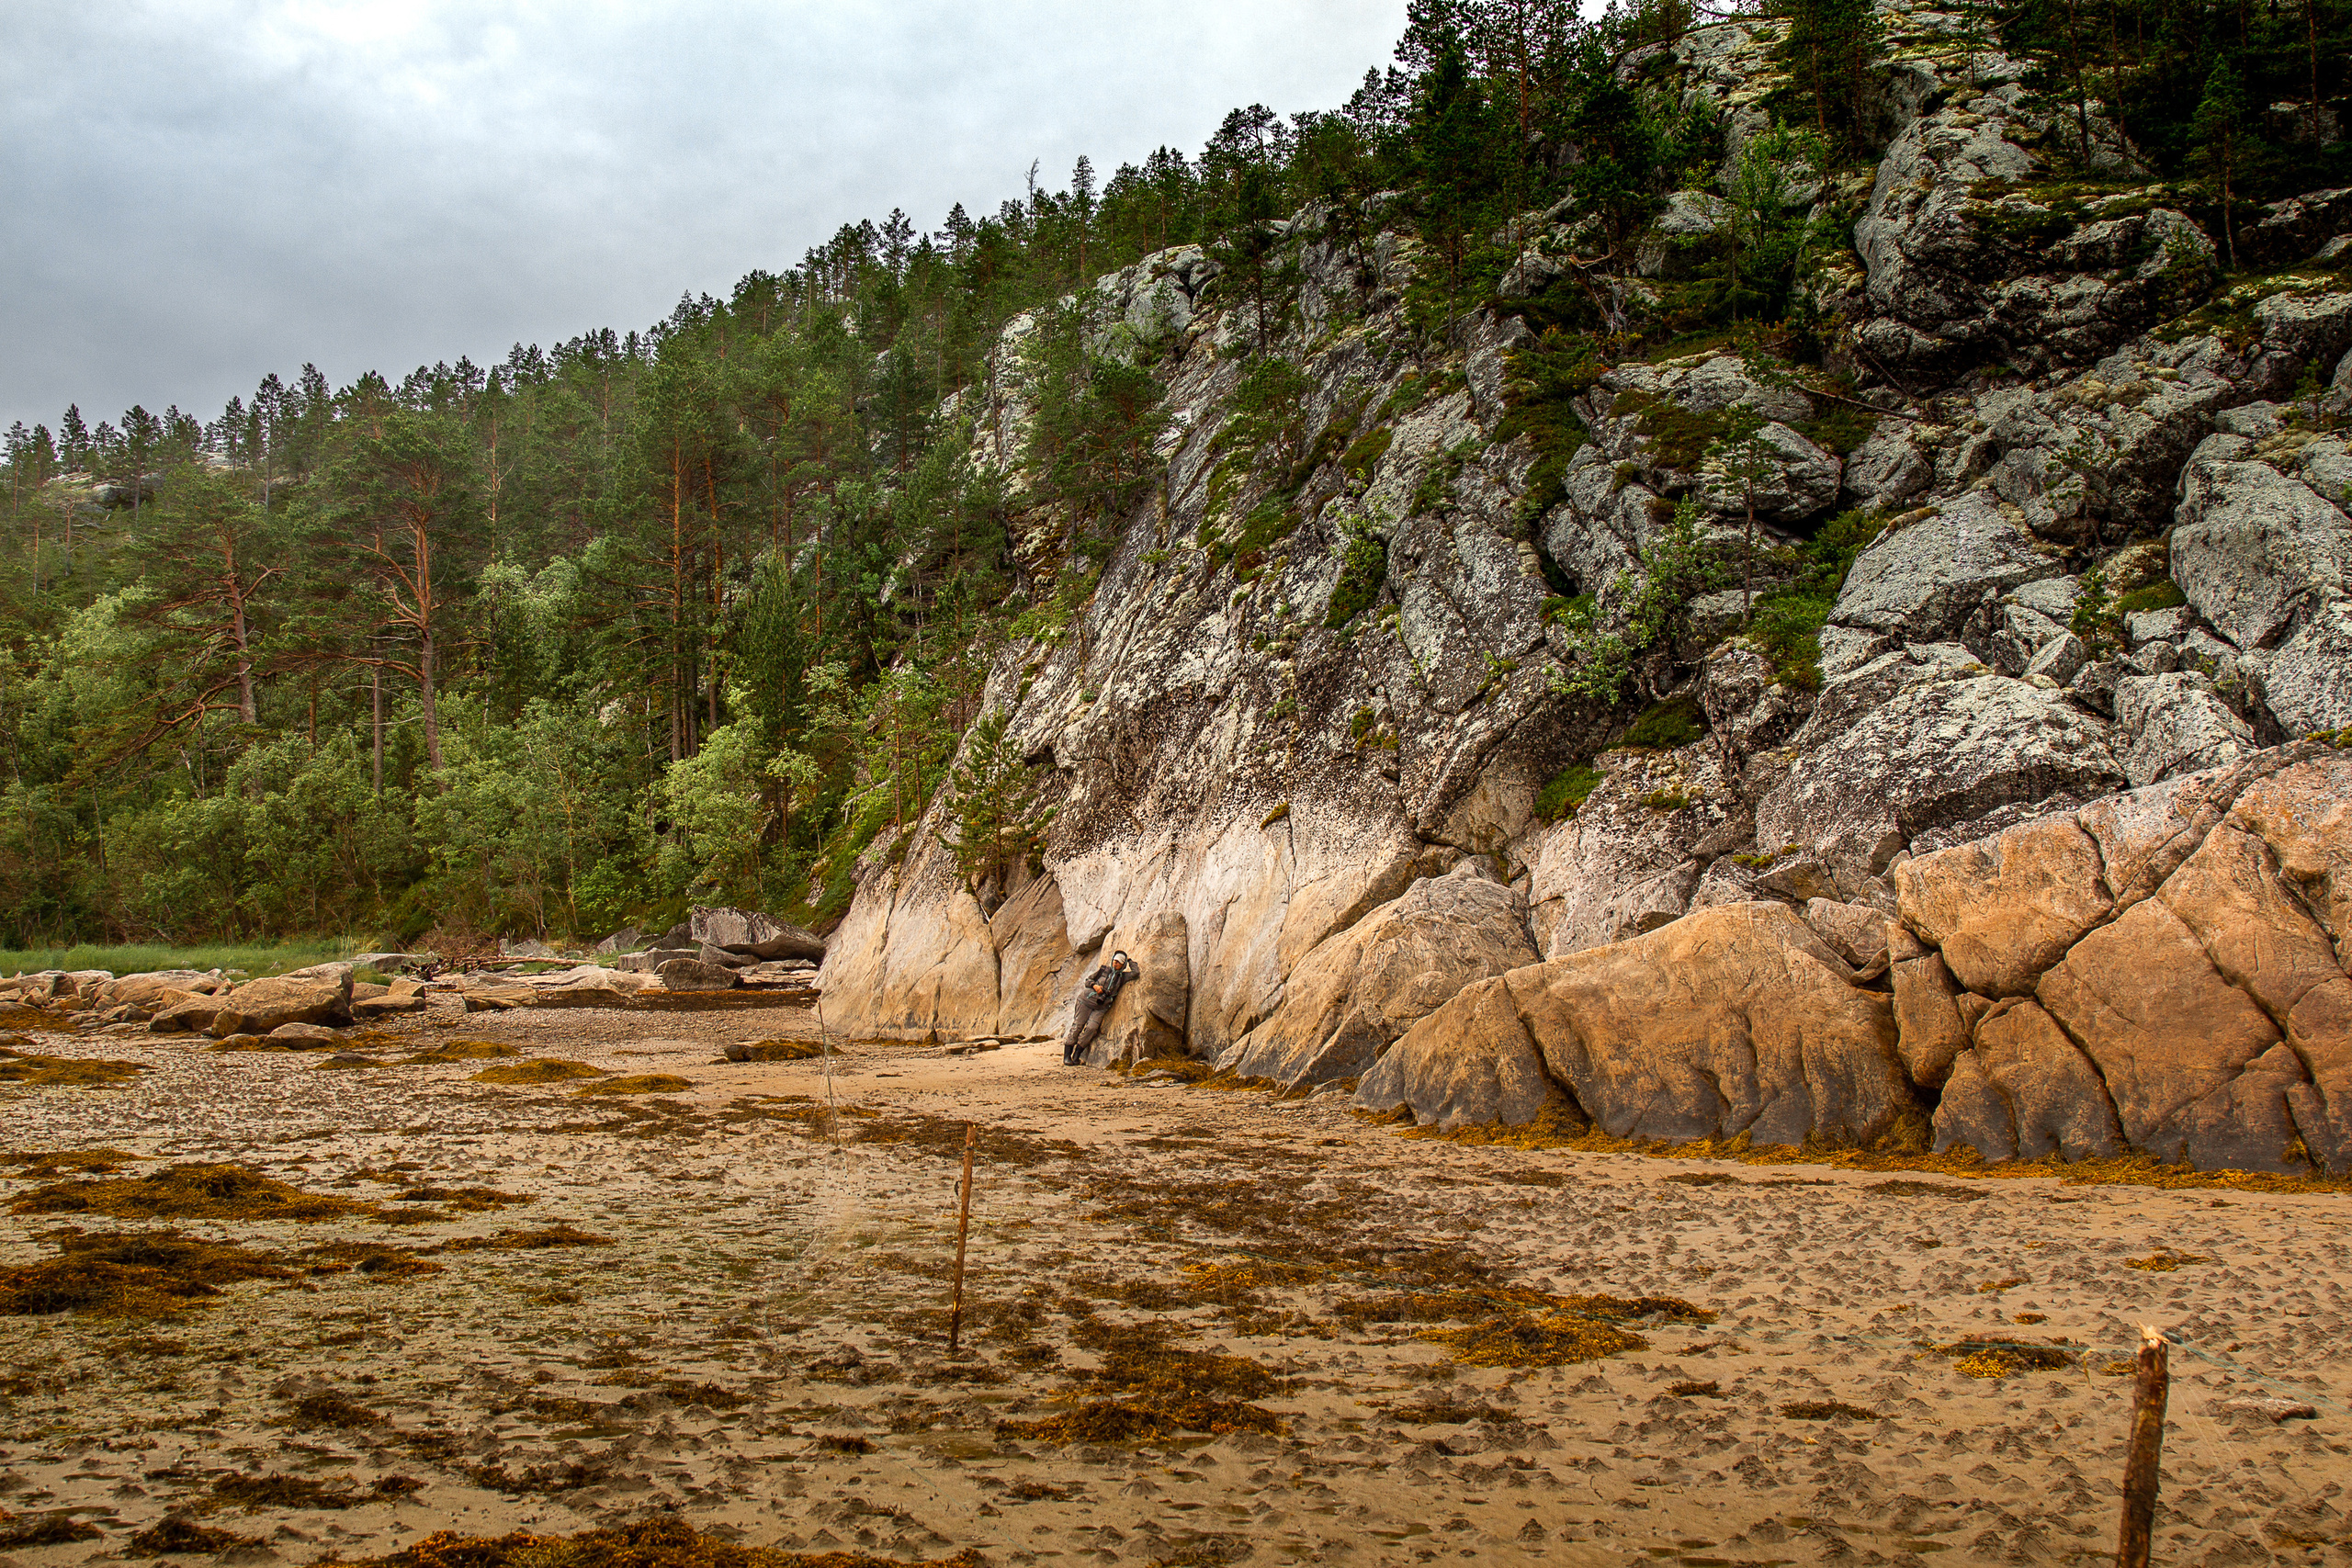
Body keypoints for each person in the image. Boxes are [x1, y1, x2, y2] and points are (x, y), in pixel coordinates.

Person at [1063, 950, 1138, 1066]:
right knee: (1078, 1026)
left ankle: (1077, 1055)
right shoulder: (1103, 970)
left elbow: (1135, 973)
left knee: (1091, 1029)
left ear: (1122, 965)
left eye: (1119, 962)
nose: (1115, 963)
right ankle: (1067, 1056)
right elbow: (1088, 980)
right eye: (1115, 960)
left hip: (1101, 1007)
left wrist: (1129, 961)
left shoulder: (1122, 977)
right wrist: (1095, 986)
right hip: (1086, 1000)